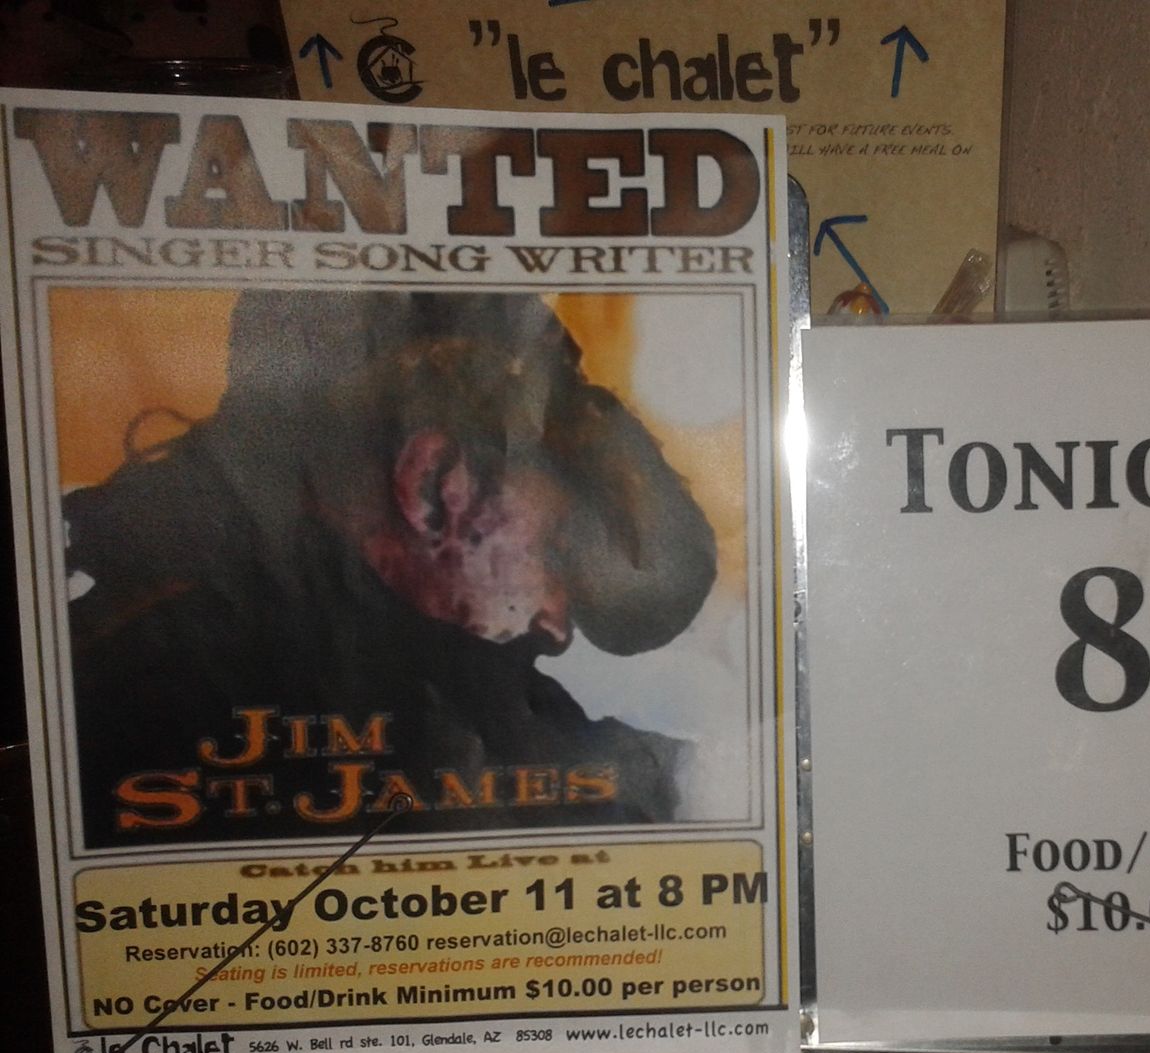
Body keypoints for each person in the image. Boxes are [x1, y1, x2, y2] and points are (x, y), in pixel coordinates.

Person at [63, 288, 717, 846]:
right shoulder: (142, 659)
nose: (555, 628)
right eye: (562, 557)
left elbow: (570, 756)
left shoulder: (443, 655)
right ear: (434, 481)